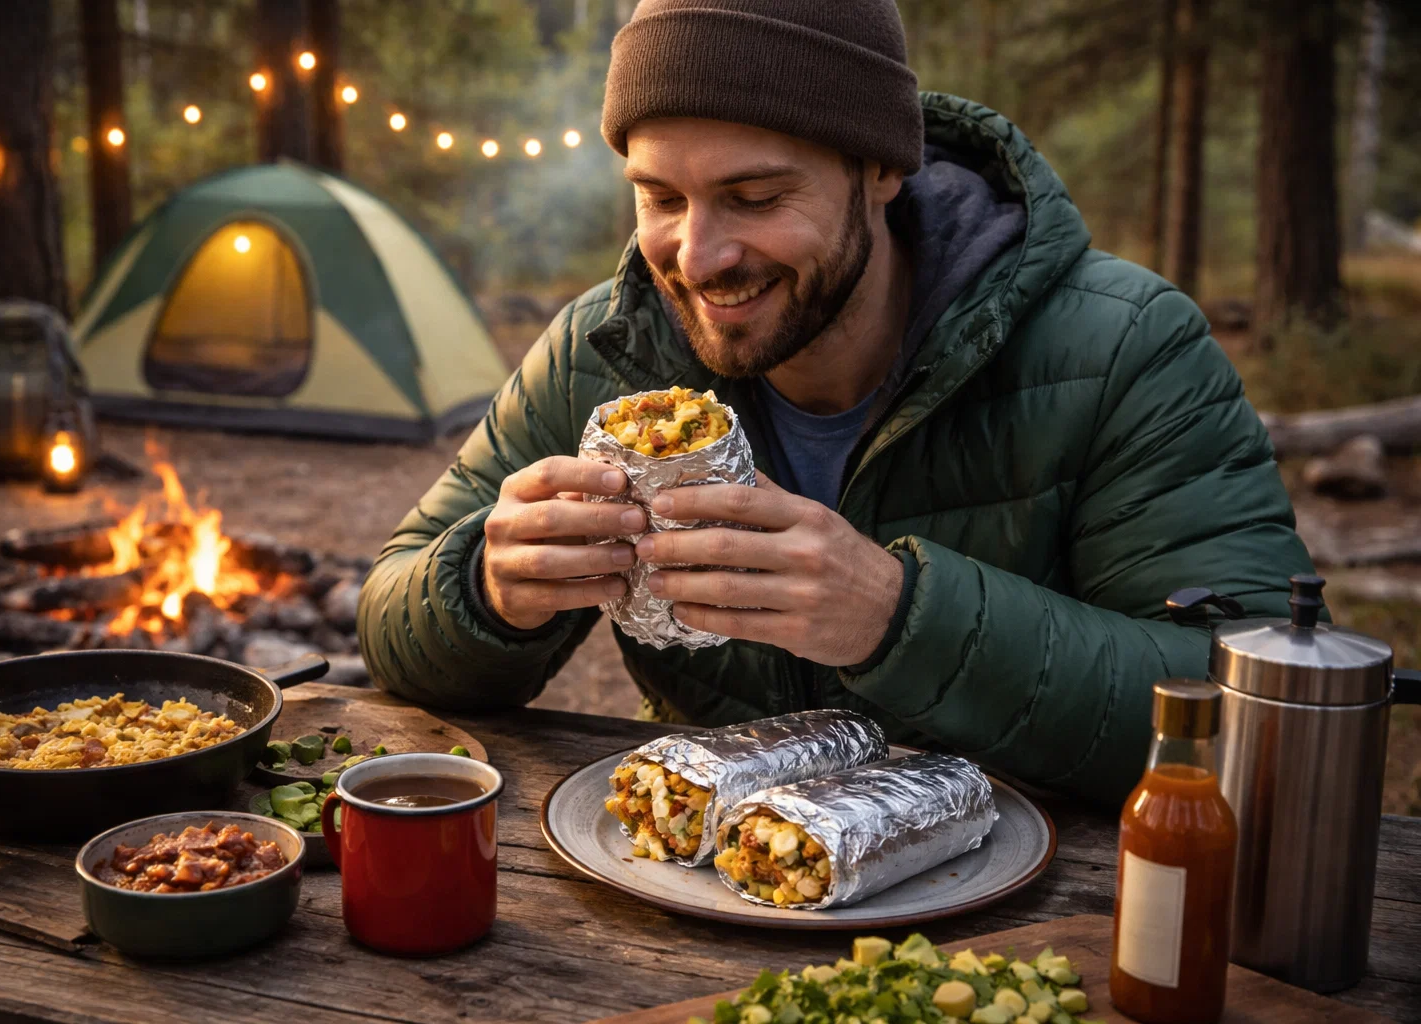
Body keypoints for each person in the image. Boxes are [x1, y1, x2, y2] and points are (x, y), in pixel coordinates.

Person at [358, 0, 1314, 803]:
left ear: (882, 168)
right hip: (696, 906)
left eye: (758, 197)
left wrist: (896, 618)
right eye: (661, 199)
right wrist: (485, 593)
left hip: (1043, 927)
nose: (698, 257)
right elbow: (393, 622)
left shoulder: (1123, 347)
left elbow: (1256, 706)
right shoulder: (605, 353)